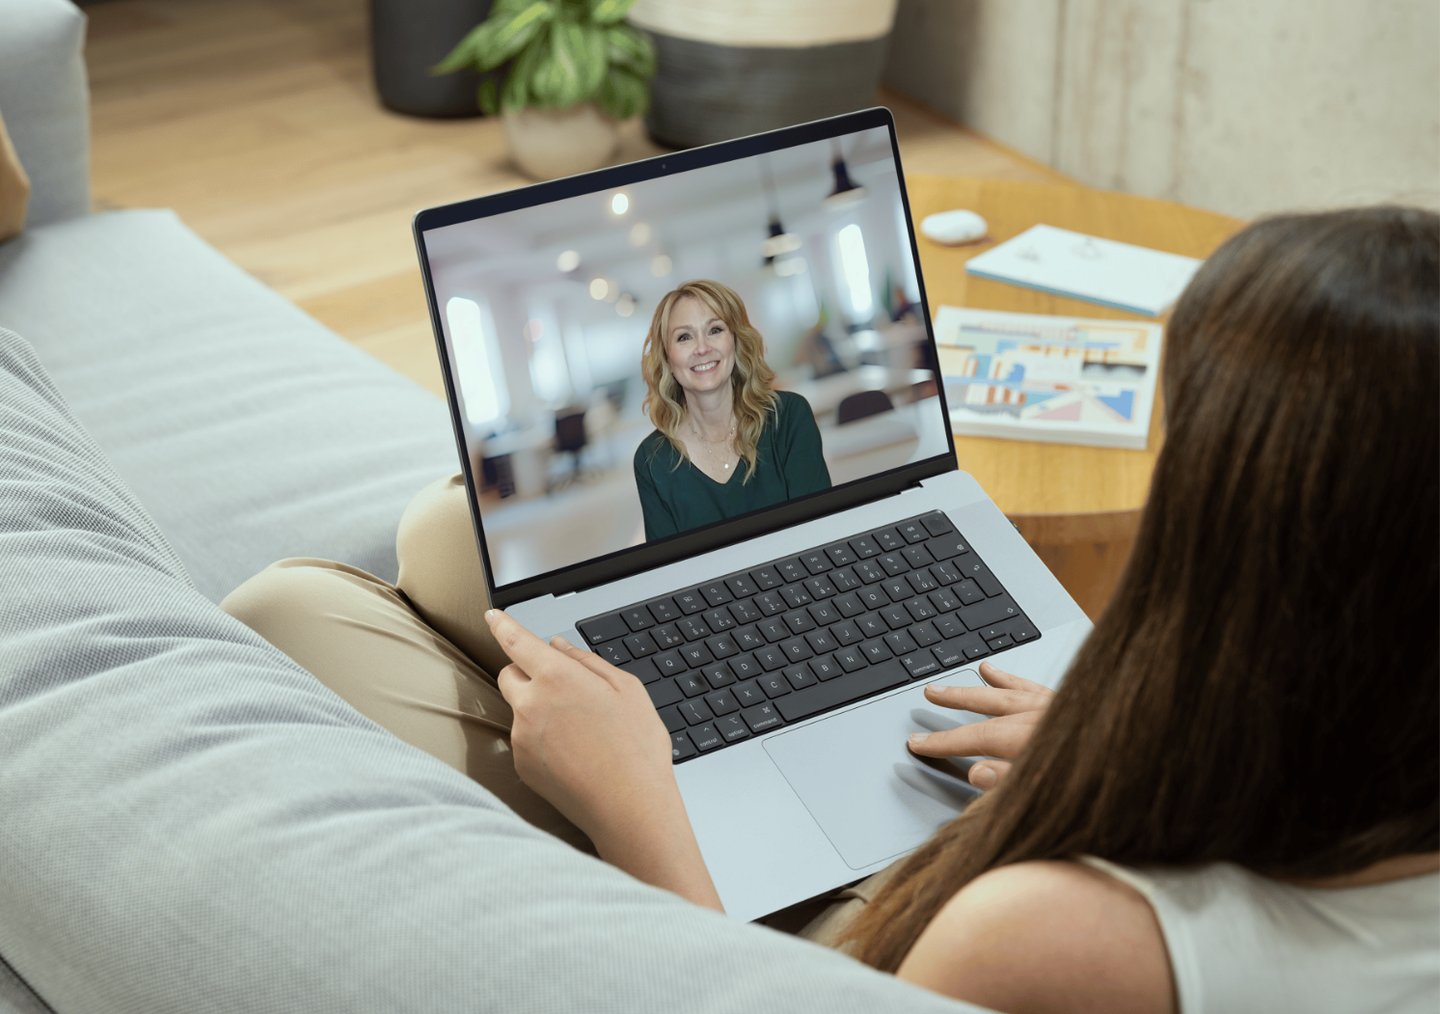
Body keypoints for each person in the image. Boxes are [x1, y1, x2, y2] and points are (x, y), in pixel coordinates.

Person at [224, 207, 1439, 1012]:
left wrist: (640, 808)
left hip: (778, 937)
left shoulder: (1054, 938)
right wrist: (1124, 752)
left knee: (291, 610)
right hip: (1004, 809)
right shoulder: (1363, 785)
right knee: (448, 535)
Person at [632, 279, 832, 541]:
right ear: (668, 360)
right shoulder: (652, 460)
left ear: (735, 342)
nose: (702, 348)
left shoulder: (789, 417)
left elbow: (820, 534)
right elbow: (669, 570)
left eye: (715, 330)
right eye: (684, 337)